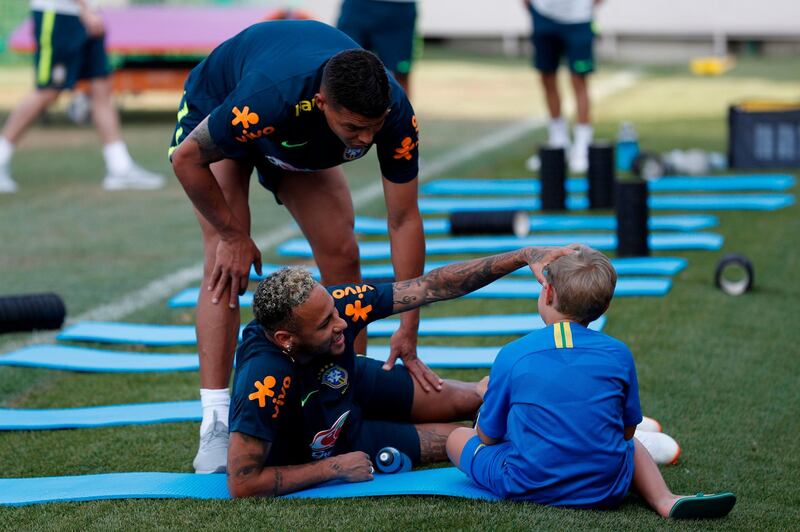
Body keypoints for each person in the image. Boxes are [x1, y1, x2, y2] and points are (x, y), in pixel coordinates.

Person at [169, 20, 430, 474]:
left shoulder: (395, 112)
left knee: (343, 253)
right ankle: (214, 421)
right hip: (225, 109)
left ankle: (350, 387)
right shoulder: (271, 97)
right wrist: (233, 235)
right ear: (324, 102)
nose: (367, 140)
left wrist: (408, 325)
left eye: (374, 128)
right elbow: (186, 159)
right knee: (224, 265)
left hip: (295, 140)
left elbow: (403, 219)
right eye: (354, 128)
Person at [226, 245, 574, 498]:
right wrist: (331, 469)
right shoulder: (264, 380)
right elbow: (242, 483)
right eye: (324, 323)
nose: (342, 322)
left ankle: (572, 417)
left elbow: (433, 286)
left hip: (353, 381)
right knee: (468, 438)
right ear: (286, 339)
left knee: (477, 399)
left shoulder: (340, 305)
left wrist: (523, 255)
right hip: (336, 440)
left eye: (334, 310)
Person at [446, 246, 736, 519]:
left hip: (526, 483)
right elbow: (626, 432)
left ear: (548, 292)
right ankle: (664, 499)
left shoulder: (513, 354)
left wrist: (491, 401)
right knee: (632, 445)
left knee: (456, 439)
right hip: (605, 488)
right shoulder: (619, 354)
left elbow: (487, 437)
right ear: (604, 305)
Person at [0, 0, 165, 193]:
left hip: (89, 14)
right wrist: (84, 8)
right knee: (48, 90)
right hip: (59, 14)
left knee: (101, 89)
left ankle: (120, 167)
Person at [523, 0, 599, 174]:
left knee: (579, 80)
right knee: (547, 77)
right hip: (544, 15)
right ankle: (559, 142)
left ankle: (583, 145)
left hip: (578, 18)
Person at [337, 0, 418, 96]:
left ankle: (402, 110)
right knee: (343, 68)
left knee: (400, 73)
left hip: (399, 7)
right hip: (356, 6)